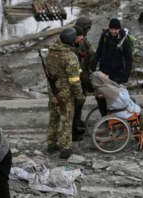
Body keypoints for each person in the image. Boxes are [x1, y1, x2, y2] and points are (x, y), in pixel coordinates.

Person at [91, 71, 143, 150]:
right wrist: (124, 90)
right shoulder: (108, 89)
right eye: (105, 76)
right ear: (101, 79)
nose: (107, 76)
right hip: (123, 112)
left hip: (118, 111)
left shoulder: (102, 87)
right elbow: (124, 102)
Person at [45, 27, 85, 159]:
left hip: (52, 91)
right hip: (65, 94)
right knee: (66, 120)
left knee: (53, 118)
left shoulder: (51, 51)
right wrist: (80, 96)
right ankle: (65, 148)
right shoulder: (70, 57)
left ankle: (51, 144)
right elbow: (74, 81)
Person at [91, 18, 133, 85]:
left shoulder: (124, 41)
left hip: (117, 73)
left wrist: (125, 75)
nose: (113, 31)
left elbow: (129, 59)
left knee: (114, 93)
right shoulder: (104, 36)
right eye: (111, 29)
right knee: (102, 92)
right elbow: (99, 50)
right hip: (103, 70)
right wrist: (94, 63)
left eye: (115, 29)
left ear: (119, 29)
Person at [72, 17, 95, 137]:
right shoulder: (77, 40)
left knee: (82, 99)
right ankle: (74, 125)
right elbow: (77, 60)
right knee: (77, 101)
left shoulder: (81, 38)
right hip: (79, 75)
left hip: (84, 72)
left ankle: (77, 119)